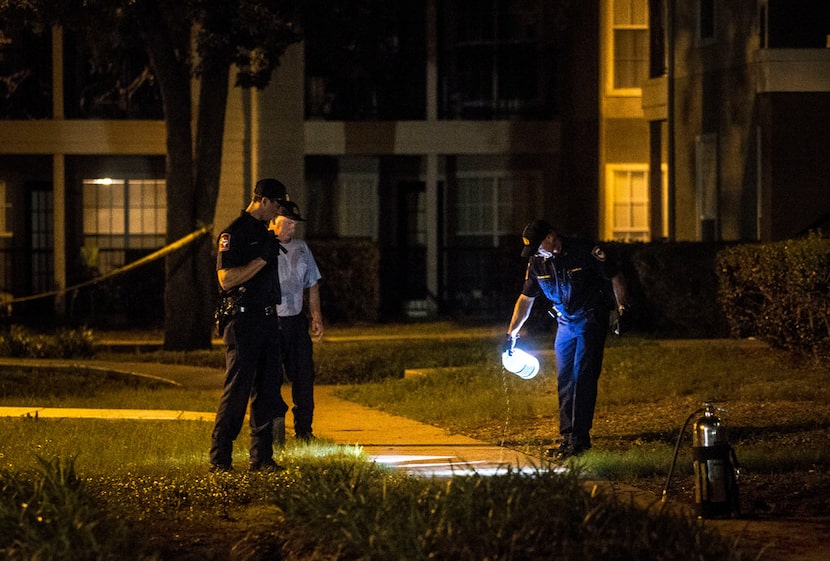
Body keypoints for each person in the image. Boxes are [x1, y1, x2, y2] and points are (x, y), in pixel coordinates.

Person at [504, 220, 630, 460]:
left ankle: (580, 441)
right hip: (565, 322)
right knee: (565, 379)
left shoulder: (584, 251)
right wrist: (512, 334)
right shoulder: (537, 261)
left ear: (551, 237)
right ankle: (567, 438)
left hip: (590, 318)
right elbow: (526, 298)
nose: (536, 253)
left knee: (582, 376)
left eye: (538, 246)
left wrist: (622, 308)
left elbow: (614, 276)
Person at [210, 178, 289, 473]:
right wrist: (261, 259)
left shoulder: (265, 233)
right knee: (238, 389)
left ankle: (262, 457)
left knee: (268, 390)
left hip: (268, 320)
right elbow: (226, 279)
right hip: (243, 321)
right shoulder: (234, 233)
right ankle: (220, 458)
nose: (278, 211)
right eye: (277, 205)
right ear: (264, 201)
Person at [269, 201, 324, 442]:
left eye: (294, 224)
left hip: (296, 322)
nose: (292, 228)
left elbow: (312, 283)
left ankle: (304, 429)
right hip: (271, 322)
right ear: (273, 222)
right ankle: (273, 426)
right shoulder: (265, 248)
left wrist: (316, 315)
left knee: (304, 375)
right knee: (270, 378)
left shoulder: (302, 248)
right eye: (287, 223)